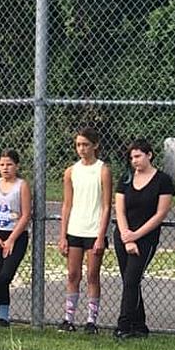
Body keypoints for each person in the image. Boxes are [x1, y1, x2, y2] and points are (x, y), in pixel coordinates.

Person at [113, 138, 175, 339]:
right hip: (123, 236)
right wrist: (126, 236)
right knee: (129, 281)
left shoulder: (162, 180)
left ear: (149, 155)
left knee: (132, 280)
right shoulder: (126, 179)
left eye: (138, 156)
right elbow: (120, 210)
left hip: (145, 238)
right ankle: (139, 326)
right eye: (132, 157)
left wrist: (136, 236)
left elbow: (160, 214)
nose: (135, 161)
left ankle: (123, 325)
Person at [57, 127, 113, 334]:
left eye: (85, 144)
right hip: (75, 229)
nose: (81, 148)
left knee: (92, 275)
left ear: (95, 145)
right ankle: (68, 318)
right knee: (73, 274)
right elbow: (67, 204)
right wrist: (63, 235)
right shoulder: (71, 171)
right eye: (78, 144)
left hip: (93, 231)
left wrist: (100, 235)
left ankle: (91, 320)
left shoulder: (103, 170)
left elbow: (107, 205)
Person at [0, 149, 31, 328]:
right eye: (2, 164)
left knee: (6, 275)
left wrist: (11, 240)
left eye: (9, 164)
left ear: (16, 166)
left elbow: (25, 215)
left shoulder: (21, 185)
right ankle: (3, 317)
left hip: (16, 236)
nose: (5, 168)